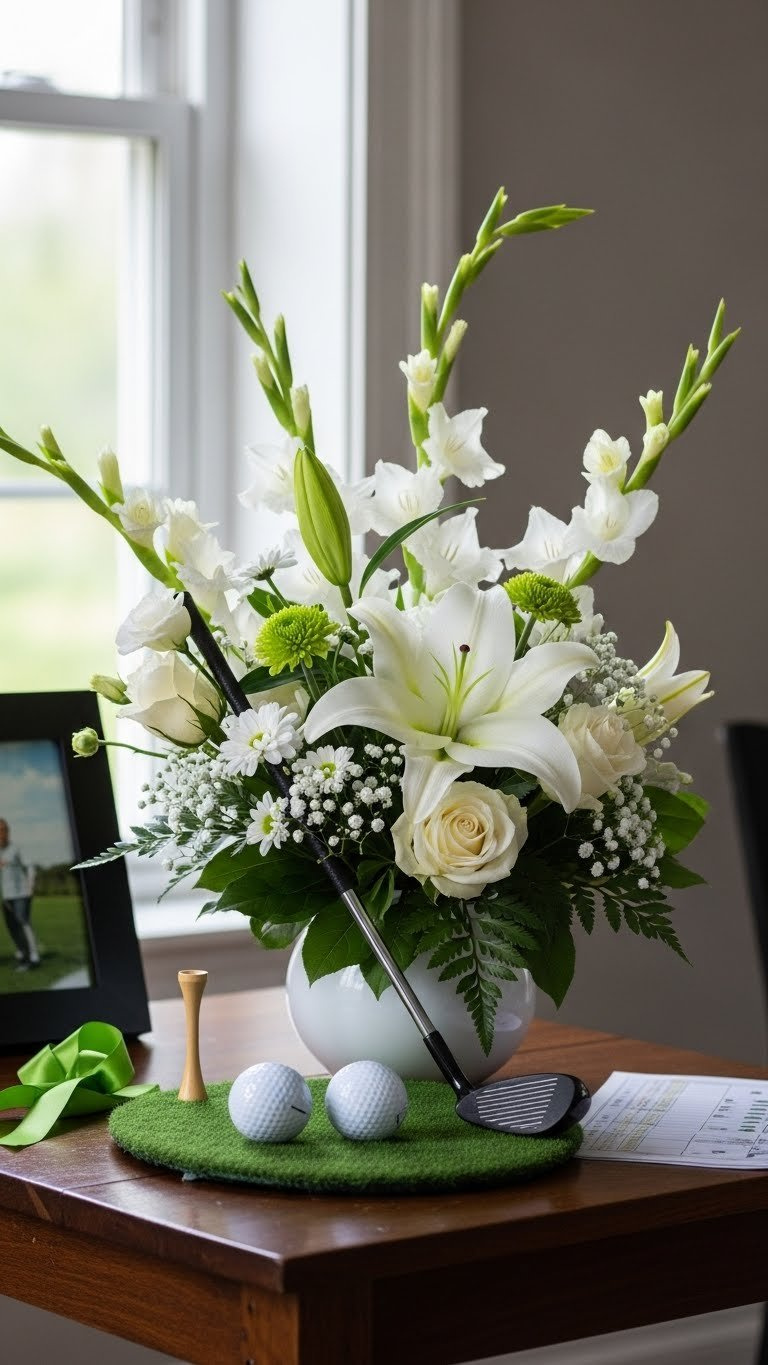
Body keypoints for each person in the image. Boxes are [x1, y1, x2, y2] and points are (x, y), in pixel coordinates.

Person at [0, 818, 40, 972]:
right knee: (12, 927)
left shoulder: (16, 848)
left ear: (7, 832)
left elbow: (30, 866)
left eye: (3, 831)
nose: (1, 834)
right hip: (6, 896)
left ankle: (33, 957)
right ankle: (23, 953)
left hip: (21, 893)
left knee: (23, 923)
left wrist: (30, 886)